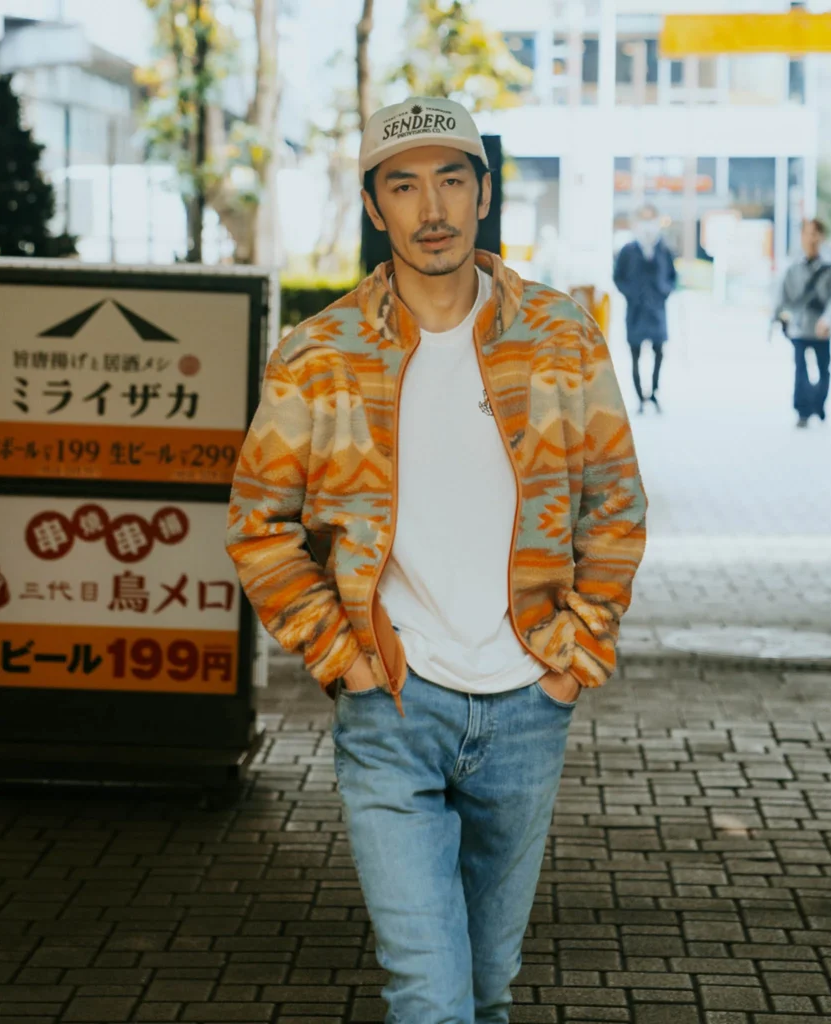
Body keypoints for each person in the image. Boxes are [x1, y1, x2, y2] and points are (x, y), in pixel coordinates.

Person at [227, 96, 647, 1023]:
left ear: (484, 193)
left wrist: (573, 658)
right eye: (404, 186)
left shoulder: (560, 336)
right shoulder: (320, 354)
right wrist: (344, 659)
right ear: (374, 206)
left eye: (452, 181)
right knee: (429, 996)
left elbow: (615, 504)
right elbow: (259, 524)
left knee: (485, 993)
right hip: (393, 703)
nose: (432, 210)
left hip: (527, 703)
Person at [774, 218, 831, 428]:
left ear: (821, 237)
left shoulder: (830, 267)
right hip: (799, 326)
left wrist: (828, 318)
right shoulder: (793, 266)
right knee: (800, 370)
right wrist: (779, 318)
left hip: (822, 328)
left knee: (824, 370)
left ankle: (819, 405)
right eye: (807, 233)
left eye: (815, 234)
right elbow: (782, 296)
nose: (811, 238)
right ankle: (803, 411)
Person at [613, 204, 677, 414]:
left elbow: (672, 277)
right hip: (636, 310)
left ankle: (654, 392)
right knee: (635, 354)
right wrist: (631, 294)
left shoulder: (663, 249)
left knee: (659, 351)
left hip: (657, 310)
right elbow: (618, 277)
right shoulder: (628, 250)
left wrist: (663, 291)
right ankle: (640, 397)